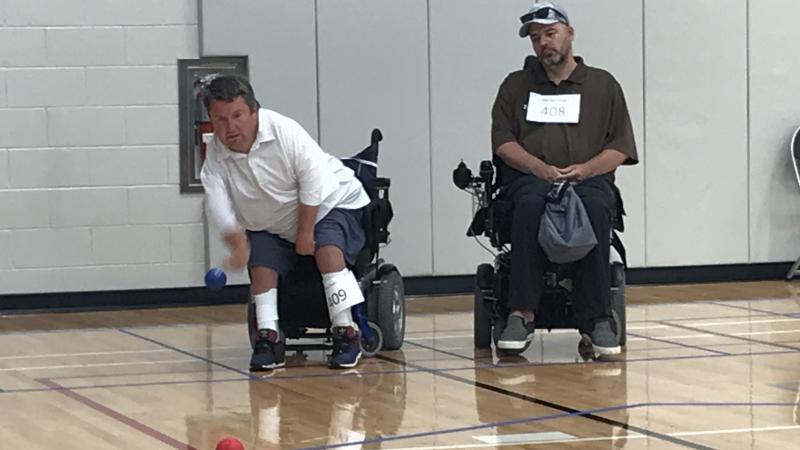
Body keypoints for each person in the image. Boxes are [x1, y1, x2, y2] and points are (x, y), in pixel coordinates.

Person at [490, 2, 639, 355]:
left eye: (550, 34)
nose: (544, 43)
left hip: (588, 178)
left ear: (569, 34)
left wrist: (586, 169)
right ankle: (521, 312)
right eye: (536, 38)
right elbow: (503, 142)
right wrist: (539, 168)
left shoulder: (603, 85)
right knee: (528, 206)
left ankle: (596, 318)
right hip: (532, 178)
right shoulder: (515, 86)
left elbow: (620, 145)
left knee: (595, 208)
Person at [199, 75, 371, 370]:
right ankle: (268, 336)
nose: (230, 127)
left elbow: (314, 180)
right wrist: (237, 243)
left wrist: (305, 231)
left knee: (327, 247)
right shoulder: (215, 153)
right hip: (273, 223)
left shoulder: (283, 130)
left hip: (330, 204)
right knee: (261, 262)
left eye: (238, 115)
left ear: (254, 111)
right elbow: (216, 201)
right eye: (220, 119)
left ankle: (346, 331)